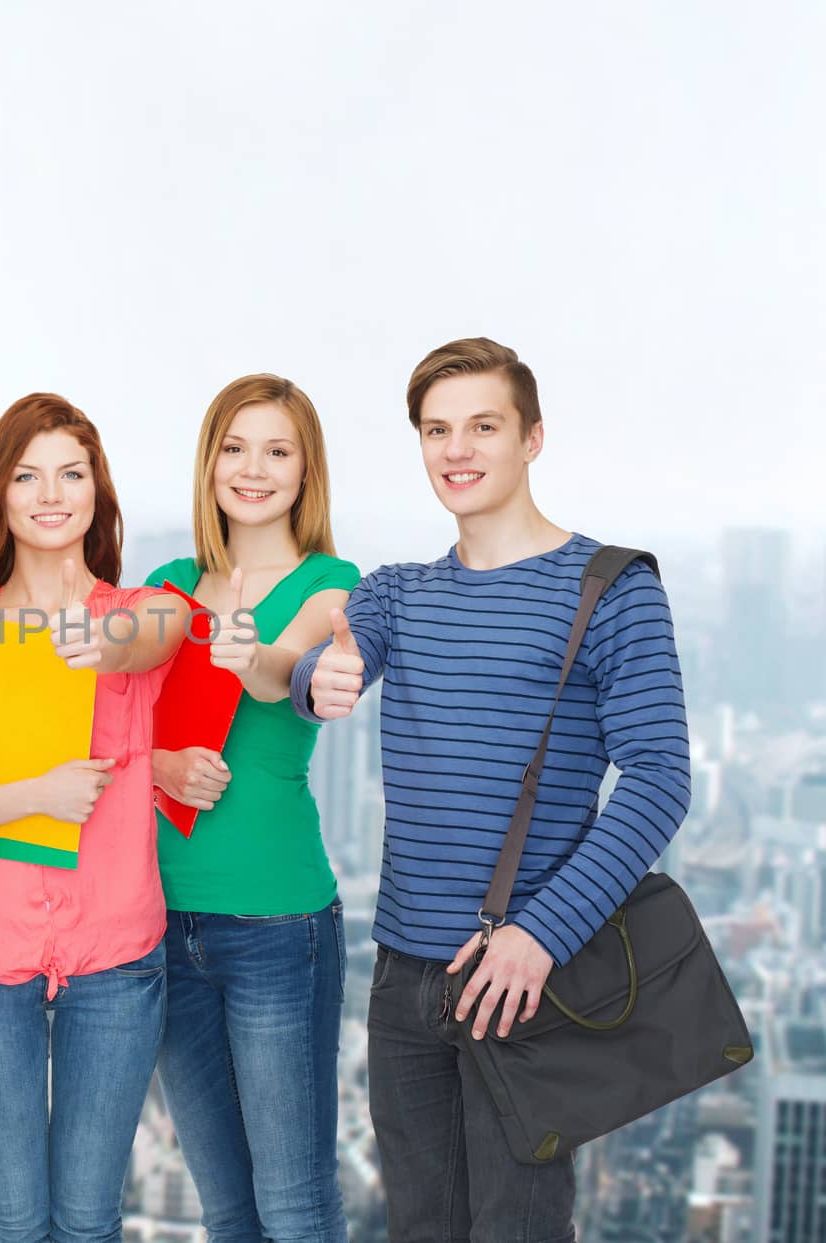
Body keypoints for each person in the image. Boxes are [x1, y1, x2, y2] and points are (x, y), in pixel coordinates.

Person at [293, 339, 692, 1241]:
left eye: (483, 425)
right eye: (437, 429)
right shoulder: (400, 593)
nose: (457, 449)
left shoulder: (612, 588)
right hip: (402, 980)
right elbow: (329, 662)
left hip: (529, 981)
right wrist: (319, 677)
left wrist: (539, 936)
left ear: (532, 438)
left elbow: (661, 778)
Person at [0, 392, 185, 1243]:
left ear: (98, 491)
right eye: (27, 474)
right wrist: (36, 794)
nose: (52, 493)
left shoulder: (146, 611)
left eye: (72, 472)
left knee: (89, 1220)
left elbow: (162, 634)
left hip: (117, 954)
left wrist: (104, 645)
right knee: (12, 1219)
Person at [145, 374, 358, 1242]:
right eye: (235, 447)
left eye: (277, 450)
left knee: (296, 1207)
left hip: (278, 924)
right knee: (227, 1210)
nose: (253, 468)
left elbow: (288, 675)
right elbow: (112, 730)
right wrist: (160, 763)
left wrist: (249, 653)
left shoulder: (333, 584)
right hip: (161, 922)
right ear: (209, 463)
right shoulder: (165, 580)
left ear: (307, 472)